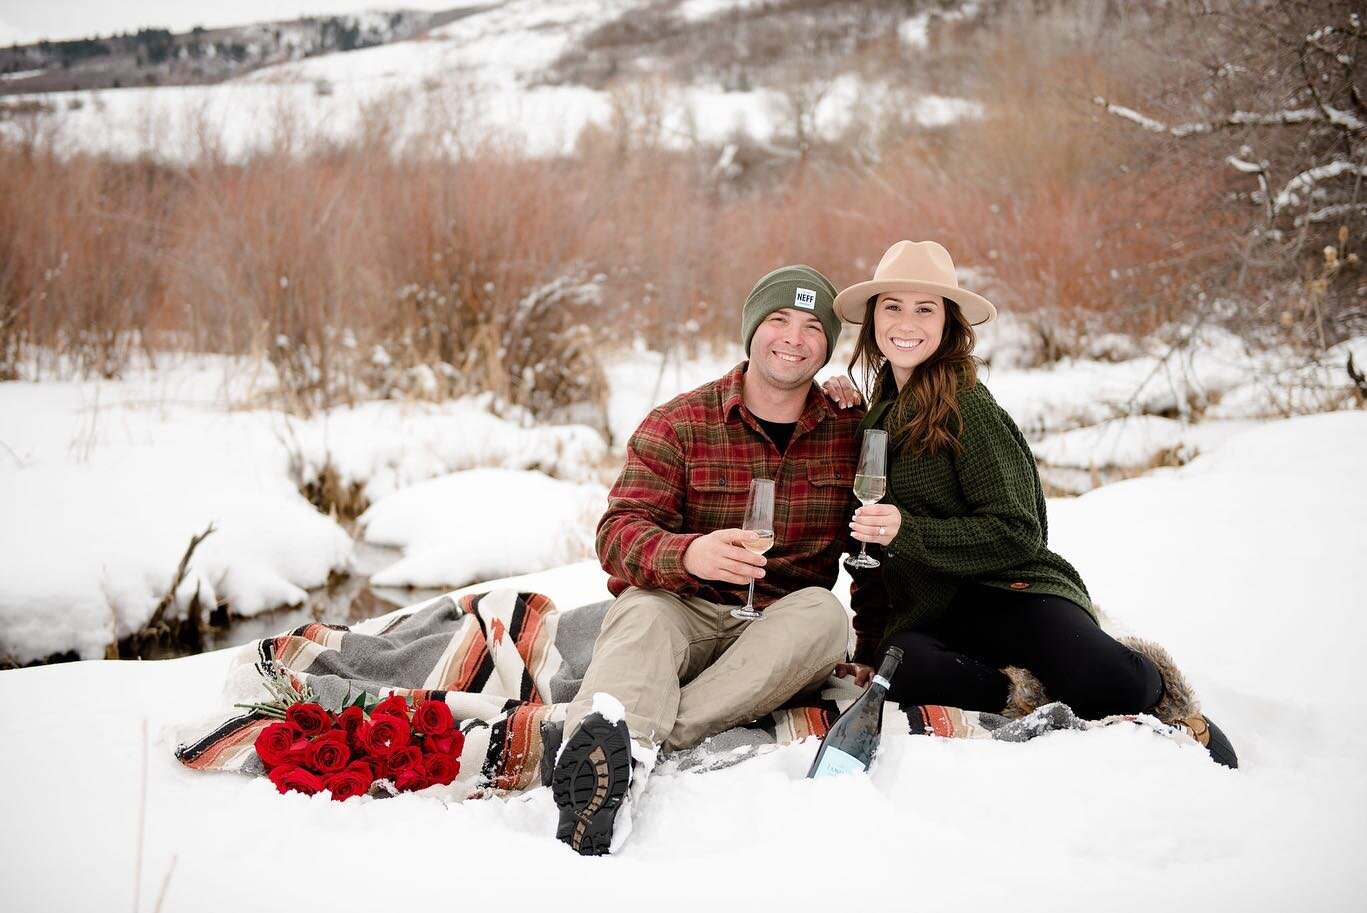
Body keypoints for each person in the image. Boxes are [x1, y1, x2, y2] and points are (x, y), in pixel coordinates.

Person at [827, 240, 1236, 768]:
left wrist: (909, 530)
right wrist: (867, 643)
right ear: (874, 319)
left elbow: (1019, 533)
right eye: (893, 306)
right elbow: (871, 555)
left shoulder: (967, 407)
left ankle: (1166, 697)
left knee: (1106, 684)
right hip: (934, 613)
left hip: (1010, 591)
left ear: (949, 323)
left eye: (925, 308)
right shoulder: (877, 414)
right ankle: (1021, 689)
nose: (907, 321)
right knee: (900, 673)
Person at [549, 264, 898, 855]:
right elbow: (617, 532)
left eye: (813, 327)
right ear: (751, 330)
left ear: (826, 348)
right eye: (779, 320)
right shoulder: (681, 422)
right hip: (686, 609)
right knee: (641, 610)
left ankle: (628, 744)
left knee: (824, 612)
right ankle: (602, 777)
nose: (794, 337)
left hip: (782, 629)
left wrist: (867, 651)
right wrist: (691, 554)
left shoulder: (848, 431)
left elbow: (869, 556)